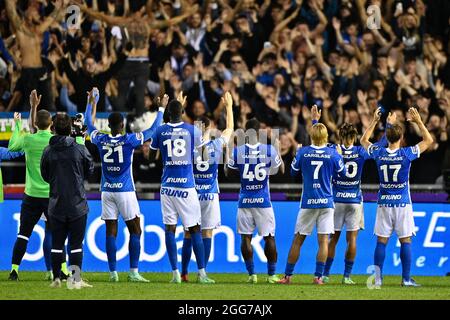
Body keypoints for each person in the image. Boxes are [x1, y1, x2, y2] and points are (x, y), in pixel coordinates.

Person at [85, 88, 167, 282]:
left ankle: (113, 273)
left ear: (109, 126)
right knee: (135, 230)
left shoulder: (100, 139)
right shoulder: (129, 140)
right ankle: (133, 272)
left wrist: (91, 102)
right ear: (122, 125)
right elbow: (154, 130)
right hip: (125, 191)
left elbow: (88, 124)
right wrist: (161, 109)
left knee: (110, 230)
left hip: (106, 191)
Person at [360, 106, 433, 287]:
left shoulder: (379, 153)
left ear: (387, 138)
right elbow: (429, 140)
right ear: (401, 138)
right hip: (402, 203)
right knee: (405, 240)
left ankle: (377, 279)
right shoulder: (406, 154)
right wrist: (418, 122)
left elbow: (363, 140)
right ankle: (406, 279)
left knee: (381, 241)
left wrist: (376, 121)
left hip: (384, 203)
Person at [149, 92, 215, 284]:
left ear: (168, 113)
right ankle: (202, 273)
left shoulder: (160, 131)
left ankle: (175, 273)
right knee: (194, 229)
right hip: (186, 187)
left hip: (167, 187)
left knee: (170, 229)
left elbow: (151, 158)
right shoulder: (192, 130)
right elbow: (202, 154)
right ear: (183, 112)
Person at [278, 105, 346, 285]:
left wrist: (314, 123)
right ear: (325, 137)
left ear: (311, 136)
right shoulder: (333, 154)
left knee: (298, 240)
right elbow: (343, 173)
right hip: (326, 202)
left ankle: (287, 276)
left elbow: (293, 172)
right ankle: (318, 277)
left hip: (308, 202)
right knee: (323, 241)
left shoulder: (303, 152)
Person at [7, 90, 69, 281]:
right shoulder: (55, 141)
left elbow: (11, 147)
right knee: (57, 234)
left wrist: (17, 125)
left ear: (35, 124)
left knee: (23, 235)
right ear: (51, 124)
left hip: (31, 195)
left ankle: (14, 270)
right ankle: (63, 271)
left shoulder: (28, 139)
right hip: (52, 196)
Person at [322, 115, 392, 284]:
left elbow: (317, 144)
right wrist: (383, 122)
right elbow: (382, 143)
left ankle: (325, 274)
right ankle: (346, 276)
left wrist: (316, 122)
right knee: (352, 239)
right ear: (354, 137)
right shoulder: (360, 151)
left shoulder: (333, 149)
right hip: (354, 201)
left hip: (337, 199)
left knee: (334, 239)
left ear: (340, 136)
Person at [180, 92, 234, 282]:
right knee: (207, 232)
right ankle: (202, 273)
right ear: (209, 128)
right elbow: (229, 128)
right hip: (210, 195)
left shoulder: (187, 146)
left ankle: (184, 272)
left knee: (188, 232)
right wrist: (229, 107)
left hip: (192, 194)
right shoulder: (216, 145)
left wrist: (180, 108)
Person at [226, 118, 284, 284]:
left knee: (245, 238)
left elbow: (229, 173)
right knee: (269, 237)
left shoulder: (238, 151)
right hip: (263, 201)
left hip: (245, 201)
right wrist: (278, 151)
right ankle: (272, 275)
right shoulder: (269, 150)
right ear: (259, 133)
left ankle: (252, 275)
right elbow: (280, 171)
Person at [41, 113, 94, 289]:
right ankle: (75, 280)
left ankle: (56, 279)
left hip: (56, 204)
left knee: (57, 243)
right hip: (77, 204)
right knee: (76, 244)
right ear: (70, 129)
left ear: (53, 129)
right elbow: (90, 169)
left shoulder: (48, 151)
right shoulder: (79, 148)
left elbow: (45, 175)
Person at [5, 0, 66, 111]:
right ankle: (27, 126)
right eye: (34, 11)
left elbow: (51, 18)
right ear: (27, 14)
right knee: (28, 105)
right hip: (28, 72)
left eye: (37, 11)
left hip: (40, 71)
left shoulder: (38, 30)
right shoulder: (21, 31)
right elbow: (11, 13)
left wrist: (58, 6)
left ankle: (54, 127)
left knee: (49, 104)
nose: (37, 12)